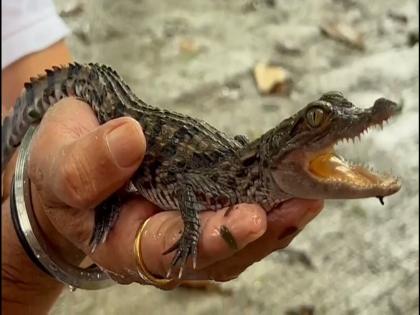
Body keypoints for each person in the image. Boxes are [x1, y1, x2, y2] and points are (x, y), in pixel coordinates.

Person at [1, 1, 324, 314]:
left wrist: (32, 174)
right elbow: (188, 187)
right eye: (316, 121)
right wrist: (192, 228)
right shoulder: (233, 180)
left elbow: (28, 53)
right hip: (139, 131)